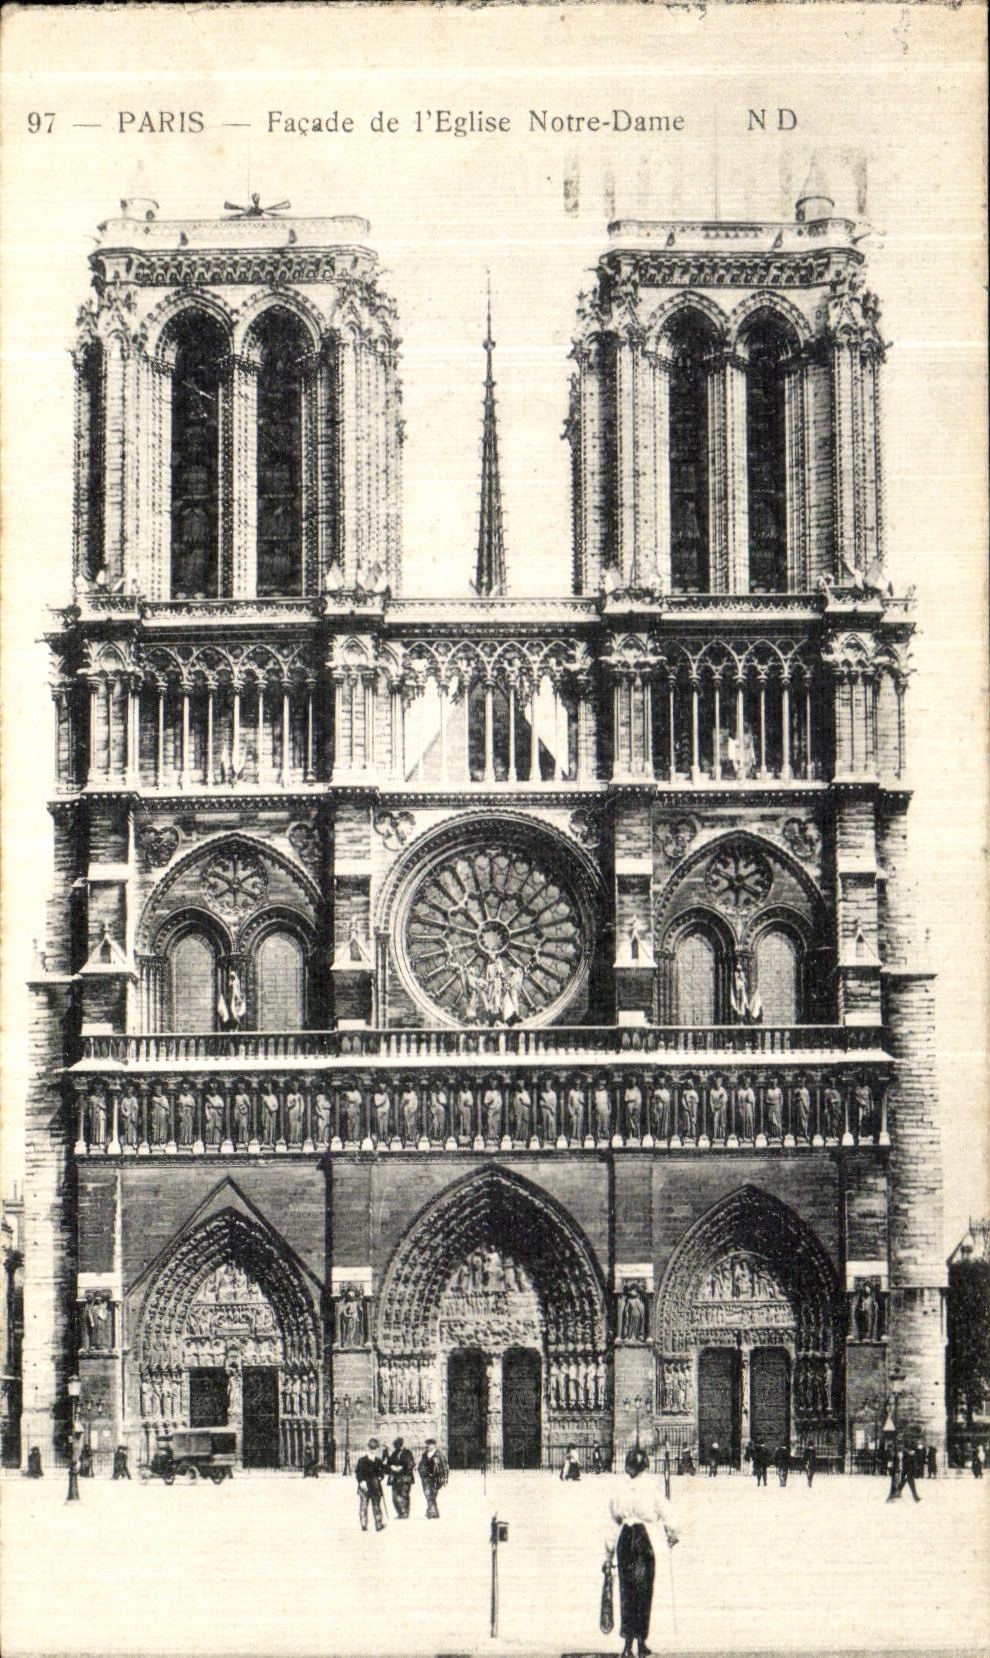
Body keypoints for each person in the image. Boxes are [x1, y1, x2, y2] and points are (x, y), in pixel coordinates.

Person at [605, 1445, 679, 1658]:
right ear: (645, 1466)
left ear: (628, 1467)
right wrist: (673, 1534)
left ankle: (627, 1644)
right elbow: (668, 1513)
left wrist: (608, 1554)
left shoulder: (619, 1491)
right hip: (644, 1540)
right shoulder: (652, 1488)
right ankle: (641, 1642)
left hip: (625, 1539)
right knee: (644, 1591)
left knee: (627, 1591)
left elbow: (612, 1523)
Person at [356, 1438, 386, 1531]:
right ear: (368, 1448)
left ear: (377, 1449)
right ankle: (364, 1525)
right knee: (364, 1505)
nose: (373, 1450)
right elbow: (358, 1473)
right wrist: (361, 1482)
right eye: (371, 1448)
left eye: (375, 1448)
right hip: (364, 1486)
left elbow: (382, 1474)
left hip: (375, 1486)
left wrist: (380, 1478)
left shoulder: (378, 1461)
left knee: (376, 1506)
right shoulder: (362, 1461)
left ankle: (379, 1524)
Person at [386, 1436, 416, 1518]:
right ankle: (400, 1512)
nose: (397, 1447)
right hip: (395, 1478)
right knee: (395, 1496)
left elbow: (411, 1464)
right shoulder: (394, 1453)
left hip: (405, 1477)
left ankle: (405, 1512)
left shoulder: (408, 1453)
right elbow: (388, 1463)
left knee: (404, 1495)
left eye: (398, 1445)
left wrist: (402, 1468)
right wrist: (391, 1466)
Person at [418, 1437, 448, 1518]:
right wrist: (421, 1473)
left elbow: (445, 1466)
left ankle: (432, 1512)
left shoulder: (439, 1455)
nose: (427, 1446)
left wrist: (445, 1477)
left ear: (434, 1445)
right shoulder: (424, 1455)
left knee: (433, 1495)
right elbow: (421, 1465)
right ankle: (433, 1512)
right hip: (426, 1478)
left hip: (436, 1478)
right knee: (427, 1493)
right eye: (427, 1445)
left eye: (429, 1445)